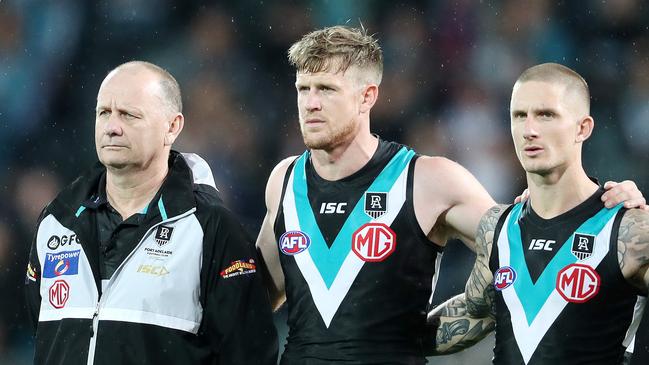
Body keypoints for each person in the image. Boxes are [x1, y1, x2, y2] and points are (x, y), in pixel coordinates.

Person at [255, 26, 644, 364]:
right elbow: (256, 298)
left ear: (367, 96)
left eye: (325, 89)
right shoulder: (284, 180)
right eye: (303, 89)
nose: (311, 103)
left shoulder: (429, 180)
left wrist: (605, 212)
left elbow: (525, 248)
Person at [25, 61, 278, 365]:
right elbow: (44, 335)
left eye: (129, 115)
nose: (112, 127)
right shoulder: (57, 222)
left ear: (172, 127)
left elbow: (249, 353)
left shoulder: (211, 228)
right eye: (104, 112)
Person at [429, 63, 648, 364]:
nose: (529, 130)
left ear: (582, 128)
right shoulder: (499, 227)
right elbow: (473, 312)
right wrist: (374, 331)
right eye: (519, 116)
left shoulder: (628, 229)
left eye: (546, 115)